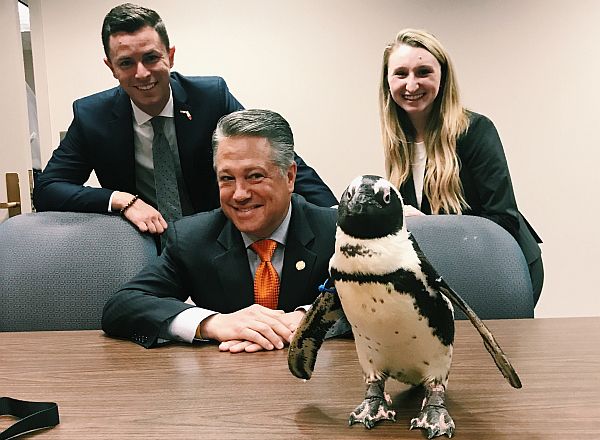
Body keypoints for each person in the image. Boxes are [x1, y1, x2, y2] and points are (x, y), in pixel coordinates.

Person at [33, 3, 336, 237]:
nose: (142, 73)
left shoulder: (210, 97)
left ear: (171, 55)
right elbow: (48, 188)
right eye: (126, 63)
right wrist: (121, 200)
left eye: (151, 58)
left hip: (216, 238)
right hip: (145, 243)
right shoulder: (92, 116)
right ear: (111, 67)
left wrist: (339, 218)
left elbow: (277, 157)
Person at [102, 109, 338, 352]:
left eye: (254, 176)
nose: (239, 194)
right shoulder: (191, 238)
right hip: (225, 380)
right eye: (226, 178)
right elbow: (123, 306)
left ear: (289, 177)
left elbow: (378, 301)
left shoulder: (338, 233)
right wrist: (212, 323)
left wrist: (312, 318)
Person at [379, 29, 543, 304]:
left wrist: (428, 225)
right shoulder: (398, 141)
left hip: (506, 269)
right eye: (401, 73)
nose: (411, 85)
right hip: (454, 270)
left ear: (442, 78)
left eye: (423, 72)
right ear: (387, 81)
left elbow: (504, 220)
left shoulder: (475, 130)